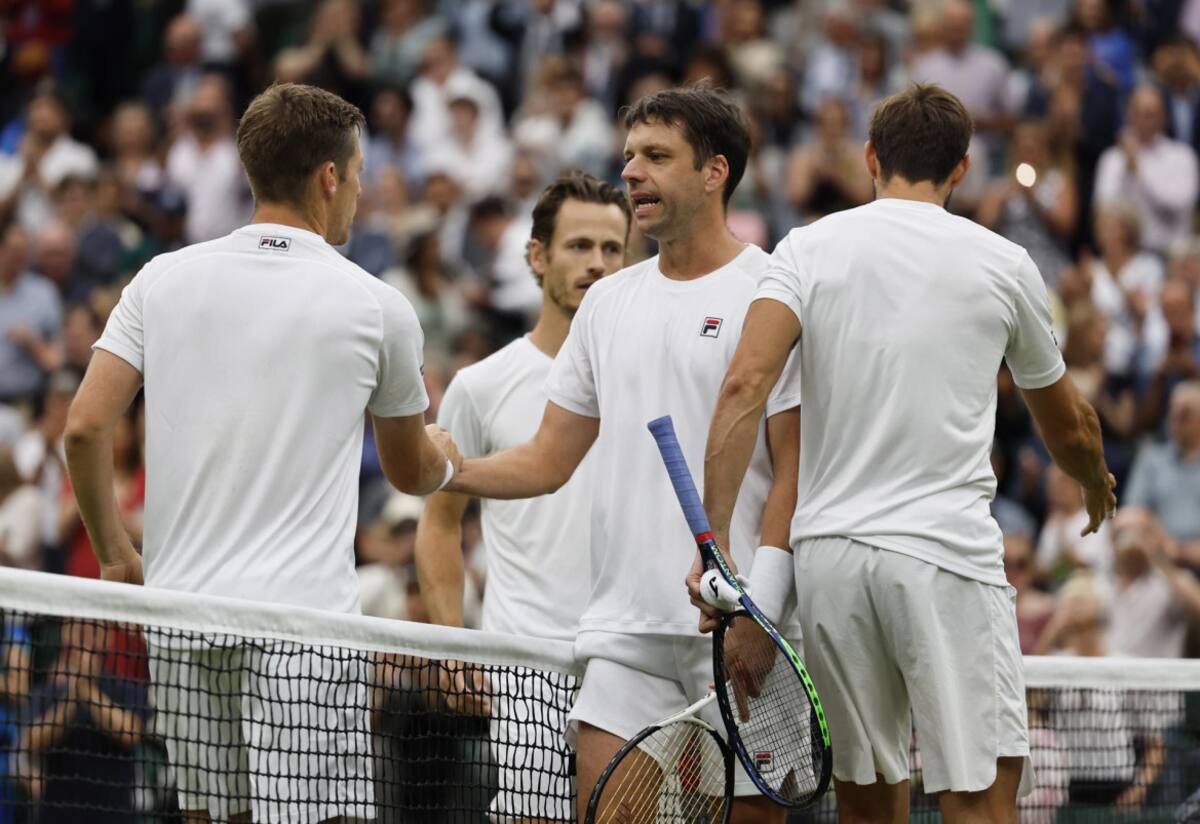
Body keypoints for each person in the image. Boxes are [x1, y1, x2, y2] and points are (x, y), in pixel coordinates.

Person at [695, 84, 1115, 823]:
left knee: (867, 803)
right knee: (979, 802)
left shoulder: (805, 248)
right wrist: (1093, 482)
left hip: (832, 566)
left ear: (870, 158)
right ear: (962, 169)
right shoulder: (1003, 261)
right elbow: (1072, 430)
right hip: (944, 560)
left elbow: (743, 387)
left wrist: (716, 549)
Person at [62, 83, 463, 824]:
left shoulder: (160, 279)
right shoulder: (378, 306)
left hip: (183, 615)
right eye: (358, 172)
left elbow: (83, 429)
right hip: (304, 631)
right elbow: (410, 472)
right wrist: (446, 457)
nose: (360, 189)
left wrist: (116, 554)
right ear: (330, 177)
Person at [447, 85, 801, 823]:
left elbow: (794, 468)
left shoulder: (773, 291)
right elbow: (549, 458)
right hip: (623, 630)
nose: (631, 171)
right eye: (631, 154)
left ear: (715, 172)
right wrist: (450, 471)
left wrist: (761, 610)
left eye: (657, 156)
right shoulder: (608, 304)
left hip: (739, 628)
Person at [415, 170, 631, 821]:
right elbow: (439, 522)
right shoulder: (481, 386)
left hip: (631, 657)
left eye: (612, 249)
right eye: (579, 246)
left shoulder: (651, 375)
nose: (597, 264)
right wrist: (452, 643)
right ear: (537, 256)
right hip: (525, 660)